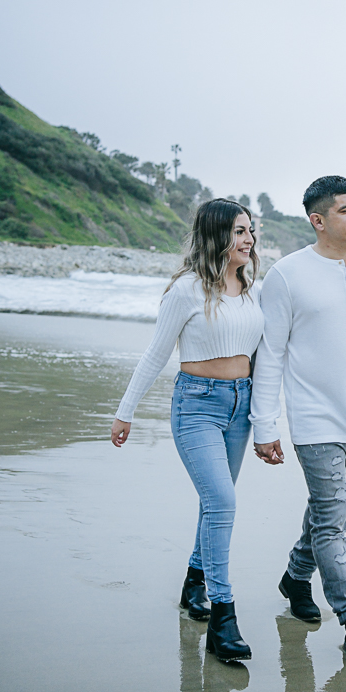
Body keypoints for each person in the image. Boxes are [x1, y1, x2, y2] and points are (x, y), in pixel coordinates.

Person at [250, 175, 346, 664]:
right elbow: (270, 355)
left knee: (327, 514)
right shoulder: (287, 276)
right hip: (316, 423)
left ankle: (296, 577)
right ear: (318, 220)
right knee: (334, 523)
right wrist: (265, 425)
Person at [111, 199, 264, 663]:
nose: (249, 240)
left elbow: (266, 356)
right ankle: (223, 616)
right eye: (239, 231)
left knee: (214, 503)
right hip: (196, 406)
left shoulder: (250, 286)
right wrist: (126, 411)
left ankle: (193, 583)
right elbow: (156, 354)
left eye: (250, 231)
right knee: (222, 502)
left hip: (242, 405)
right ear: (217, 235)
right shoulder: (186, 290)